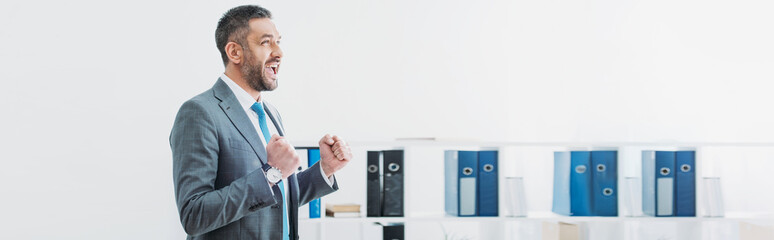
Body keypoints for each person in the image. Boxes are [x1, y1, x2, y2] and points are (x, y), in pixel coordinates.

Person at [170, 5, 352, 240]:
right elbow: (194, 215)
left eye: (278, 41)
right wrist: (271, 173)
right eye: (266, 42)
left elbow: (277, 198)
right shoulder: (199, 112)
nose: (279, 52)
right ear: (235, 52)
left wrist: (325, 169)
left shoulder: (270, 113)